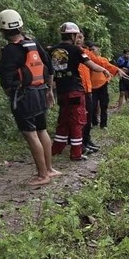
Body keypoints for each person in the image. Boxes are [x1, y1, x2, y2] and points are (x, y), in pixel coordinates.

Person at [0, 9, 61, 186]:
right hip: (41, 90)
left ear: (2, 29)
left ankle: (42, 176)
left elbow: (6, 79)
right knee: (42, 130)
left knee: (30, 134)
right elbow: (49, 65)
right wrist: (48, 90)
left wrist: (11, 93)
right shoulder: (33, 43)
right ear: (20, 25)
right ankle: (49, 169)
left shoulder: (10, 50)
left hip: (24, 95)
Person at [48, 22, 111, 161]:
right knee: (78, 120)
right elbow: (91, 65)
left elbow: (50, 71)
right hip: (75, 90)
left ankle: (56, 148)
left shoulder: (52, 50)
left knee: (63, 119)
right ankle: (76, 153)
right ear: (73, 35)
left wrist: (49, 89)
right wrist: (104, 69)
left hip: (61, 91)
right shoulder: (76, 50)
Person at [74, 34, 125, 153]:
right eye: (76, 37)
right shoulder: (67, 51)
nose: (79, 39)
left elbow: (99, 62)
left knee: (90, 113)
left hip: (88, 88)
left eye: (81, 37)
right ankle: (75, 144)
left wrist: (115, 70)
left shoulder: (85, 52)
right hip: (76, 87)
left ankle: (85, 141)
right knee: (77, 116)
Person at [87, 43, 111, 128]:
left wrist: (107, 80)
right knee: (92, 106)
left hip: (103, 85)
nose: (91, 51)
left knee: (104, 105)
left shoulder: (103, 60)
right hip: (92, 86)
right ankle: (94, 122)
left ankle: (103, 124)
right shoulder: (87, 61)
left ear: (98, 49)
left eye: (93, 49)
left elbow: (109, 70)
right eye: (90, 49)